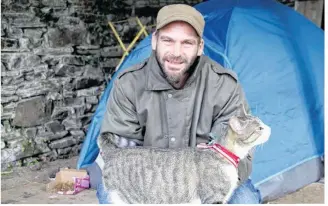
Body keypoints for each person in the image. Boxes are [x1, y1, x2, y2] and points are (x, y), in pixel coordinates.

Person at [89, 4, 262, 204]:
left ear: (200, 47)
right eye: (168, 40)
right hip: (147, 178)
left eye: (187, 43)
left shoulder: (224, 84)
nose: (176, 52)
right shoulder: (129, 83)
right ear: (154, 41)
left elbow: (238, 146)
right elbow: (118, 150)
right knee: (110, 196)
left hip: (209, 178)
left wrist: (207, 181)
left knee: (245, 200)